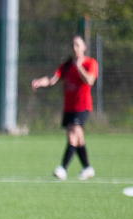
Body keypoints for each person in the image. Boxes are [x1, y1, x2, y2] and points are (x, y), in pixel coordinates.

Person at [31, 34, 98, 181]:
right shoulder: (66, 65)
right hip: (69, 108)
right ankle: (87, 167)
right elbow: (52, 78)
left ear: (84, 47)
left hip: (82, 106)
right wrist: (39, 82)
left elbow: (90, 80)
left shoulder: (90, 63)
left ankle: (62, 168)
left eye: (77, 45)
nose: (75, 48)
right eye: (72, 45)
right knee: (78, 139)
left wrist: (79, 67)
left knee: (72, 135)